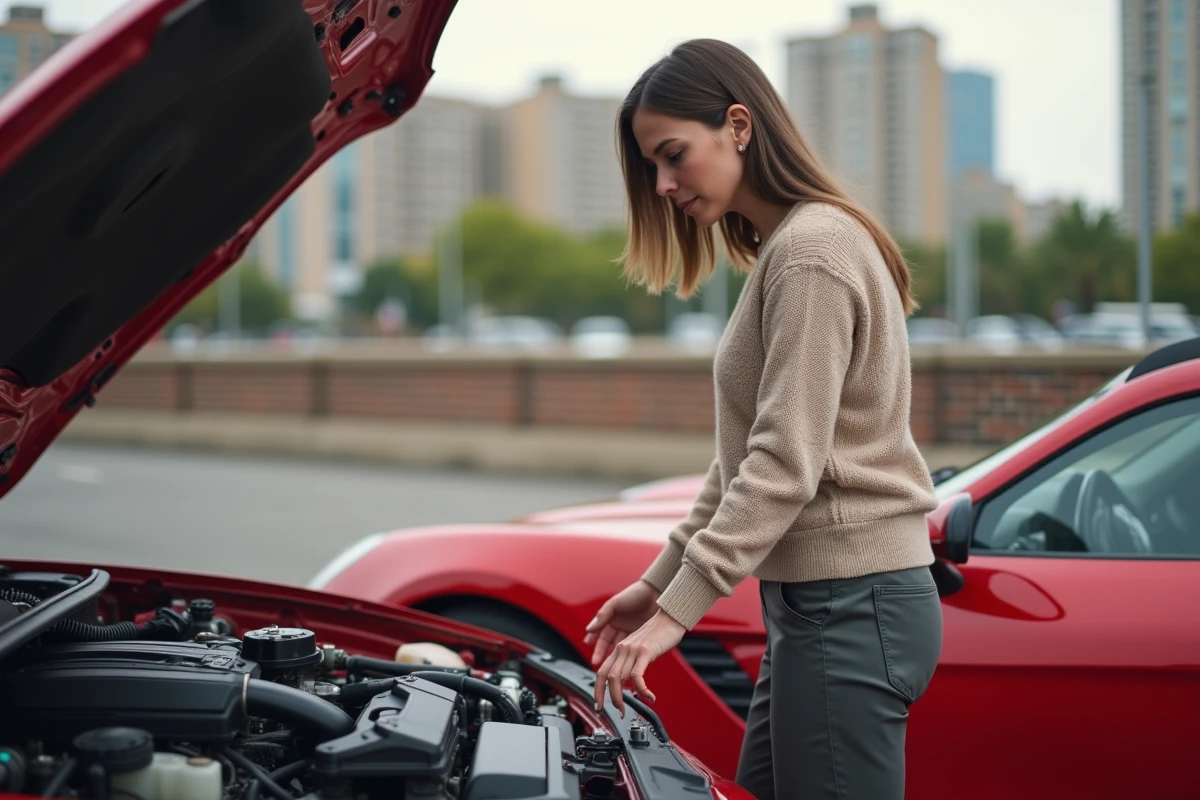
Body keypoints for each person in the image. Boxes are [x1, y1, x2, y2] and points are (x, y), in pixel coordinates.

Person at [583, 39, 943, 799]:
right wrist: (658, 582)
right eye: (653, 166)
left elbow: (784, 462)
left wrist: (677, 614)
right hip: (825, 606)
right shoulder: (792, 248)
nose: (664, 183)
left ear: (739, 126)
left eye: (673, 155)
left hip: (850, 605)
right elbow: (742, 461)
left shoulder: (810, 252)